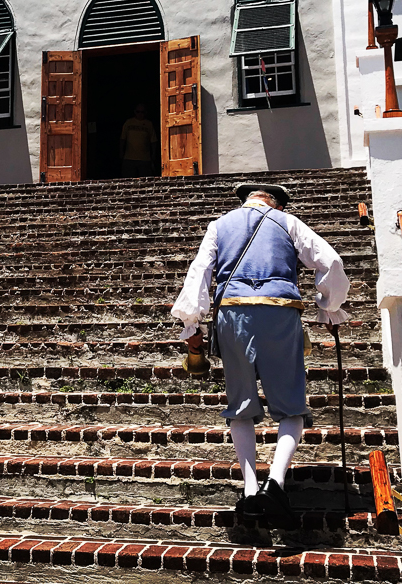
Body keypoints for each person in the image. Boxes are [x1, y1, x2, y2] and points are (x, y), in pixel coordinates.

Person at [171, 182, 350, 529]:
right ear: (276, 204)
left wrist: (192, 325)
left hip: (232, 312)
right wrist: (329, 307)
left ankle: (251, 490)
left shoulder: (220, 225)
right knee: (291, 404)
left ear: (245, 201)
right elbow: (331, 262)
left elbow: (199, 274)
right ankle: (276, 482)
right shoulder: (288, 222)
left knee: (240, 404)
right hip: (279, 311)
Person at [119, 103, 157, 178]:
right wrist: (121, 152)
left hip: (144, 159)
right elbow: (122, 139)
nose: (140, 114)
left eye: (142, 112)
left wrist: (153, 155)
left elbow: (153, 141)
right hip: (129, 158)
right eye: (138, 112)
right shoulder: (128, 123)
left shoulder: (148, 124)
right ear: (134, 112)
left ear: (145, 113)